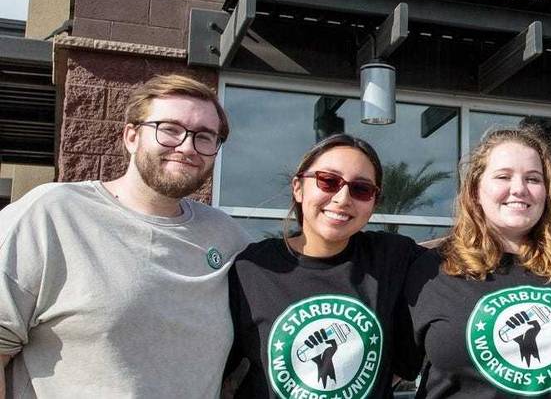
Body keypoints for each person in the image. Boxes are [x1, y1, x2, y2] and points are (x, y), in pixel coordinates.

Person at [0, 74, 250, 398]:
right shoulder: (52, 214)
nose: (187, 147)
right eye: (170, 129)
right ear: (131, 136)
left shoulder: (226, 236)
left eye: (204, 136)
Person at [226, 133, 433, 398]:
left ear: (374, 203)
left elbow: (460, 257)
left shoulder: (392, 257)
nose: (343, 198)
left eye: (361, 189)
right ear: (298, 188)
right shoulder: (252, 268)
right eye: (328, 181)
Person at [411, 125, 551, 397]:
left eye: (533, 179)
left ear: (547, 192)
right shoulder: (430, 270)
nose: (519, 189)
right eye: (503, 176)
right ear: (475, 191)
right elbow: (391, 368)